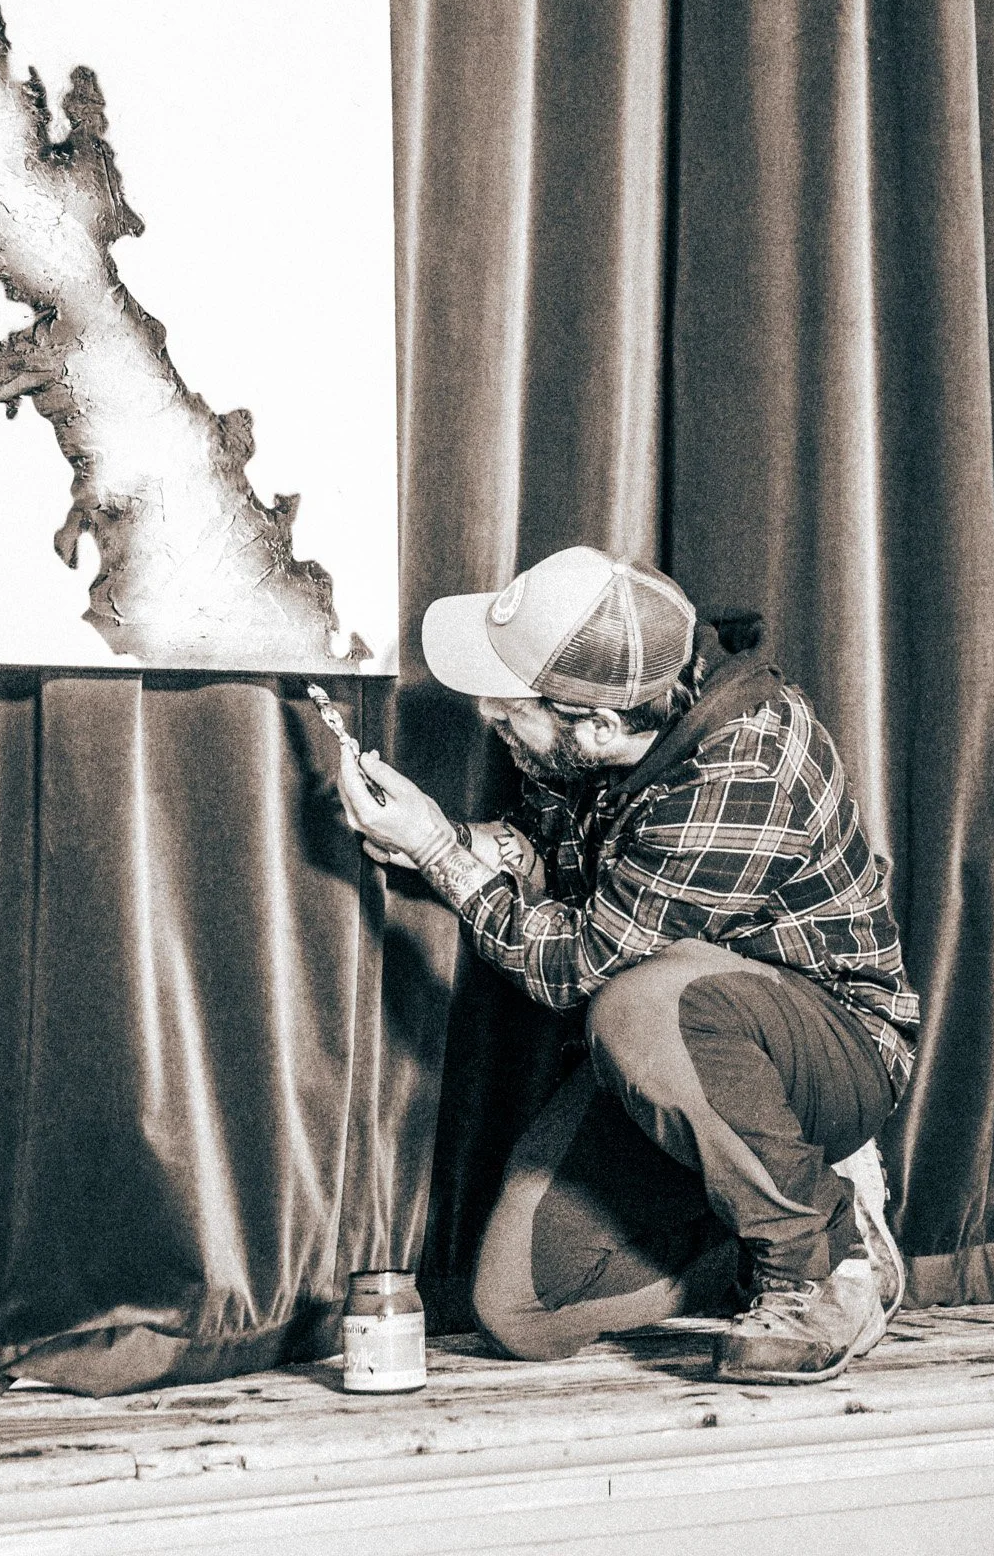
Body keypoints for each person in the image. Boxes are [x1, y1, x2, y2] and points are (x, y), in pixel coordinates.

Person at [334, 545, 921, 1384]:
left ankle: (815, 1265)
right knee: (519, 1313)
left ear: (599, 726)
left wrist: (435, 851)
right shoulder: (615, 718)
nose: (489, 719)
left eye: (509, 709)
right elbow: (550, 850)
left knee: (634, 1006)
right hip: (682, 1062)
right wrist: (446, 836)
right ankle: (797, 1233)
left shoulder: (741, 767)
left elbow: (574, 966)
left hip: (828, 1054)